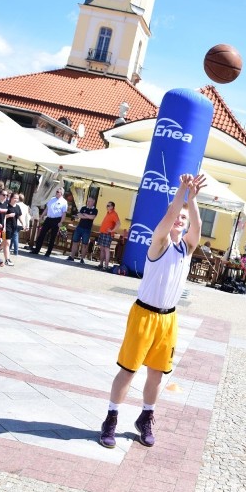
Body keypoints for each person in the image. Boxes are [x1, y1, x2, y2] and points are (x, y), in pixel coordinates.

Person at [98, 174, 207, 450]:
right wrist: (182, 190)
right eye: (177, 218)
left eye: (184, 219)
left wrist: (192, 200)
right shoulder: (159, 242)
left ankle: (146, 417)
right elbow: (171, 213)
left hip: (168, 318)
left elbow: (198, 225)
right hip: (144, 315)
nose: (180, 220)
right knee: (129, 371)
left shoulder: (187, 248)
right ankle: (111, 419)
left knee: (157, 374)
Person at [31, 187, 68, 257]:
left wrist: (61, 222)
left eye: (58, 192)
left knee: (53, 237)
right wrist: (41, 216)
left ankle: (48, 252)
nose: (56, 193)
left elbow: (64, 213)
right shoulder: (51, 199)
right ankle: (37, 249)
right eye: (56, 191)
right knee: (42, 234)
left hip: (57, 219)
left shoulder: (64, 202)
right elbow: (47, 209)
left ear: (61, 193)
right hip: (49, 218)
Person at [67, 197, 99, 264]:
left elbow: (92, 217)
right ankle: (71, 257)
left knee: (84, 244)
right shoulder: (83, 208)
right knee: (75, 242)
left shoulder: (95, 210)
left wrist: (85, 215)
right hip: (79, 227)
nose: (88, 202)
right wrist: (88, 216)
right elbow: (79, 215)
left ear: (93, 202)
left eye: (90, 201)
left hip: (87, 229)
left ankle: (82, 259)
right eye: (87, 201)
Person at [96, 201, 120, 271]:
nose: (107, 207)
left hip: (107, 234)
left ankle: (106, 266)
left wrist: (112, 231)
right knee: (102, 249)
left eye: (109, 205)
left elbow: (118, 224)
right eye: (107, 205)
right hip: (103, 233)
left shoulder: (114, 214)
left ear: (112, 207)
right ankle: (101, 264)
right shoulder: (108, 213)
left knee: (106, 249)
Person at [2, 192, 21, 266]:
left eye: (17, 198)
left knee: (4, 243)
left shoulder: (17, 207)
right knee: (7, 243)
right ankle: (7, 259)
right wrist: (8, 215)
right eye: (15, 198)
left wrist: (24, 224)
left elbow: (19, 216)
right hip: (6, 227)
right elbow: (2, 216)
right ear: (11, 198)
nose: (16, 200)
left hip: (14, 227)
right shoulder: (7, 205)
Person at [11, 193, 30, 258]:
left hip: (16, 222)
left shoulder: (16, 205)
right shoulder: (26, 206)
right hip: (21, 224)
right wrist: (27, 225)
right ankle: (9, 247)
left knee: (15, 236)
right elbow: (27, 216)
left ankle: (16, 251)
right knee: (13, 235)